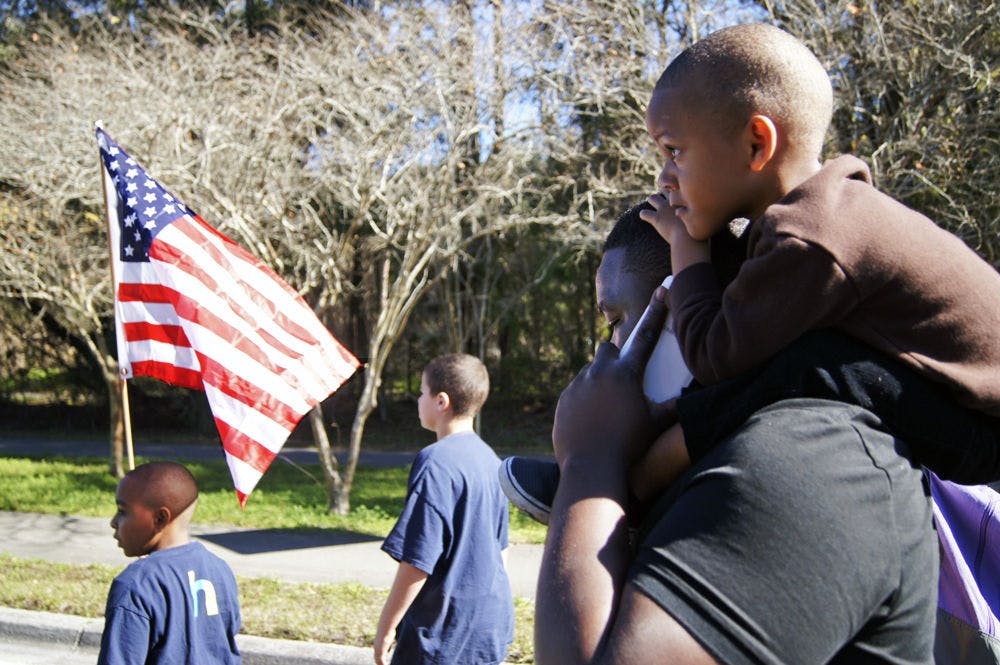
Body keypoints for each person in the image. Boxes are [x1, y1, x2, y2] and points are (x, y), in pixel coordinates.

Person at [534, 24, 946, 664]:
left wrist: (589, 469)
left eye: (615, 322)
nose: (605, 358)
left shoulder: (805, 463)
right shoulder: (745, 430)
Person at [640, 22, 1000, 486]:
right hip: (962, 410)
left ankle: (636, 481)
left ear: (757, 144)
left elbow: (715, 355)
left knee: (809, 365)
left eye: (674, 152)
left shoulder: (810, 238)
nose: (664, 178)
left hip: (984, 433)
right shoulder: (828, 213)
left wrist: (687, 248)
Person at [374, 353, 514, 665]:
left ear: (441, 401)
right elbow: (501, 552)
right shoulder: (492, 460)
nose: (419, 399)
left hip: (443, 635)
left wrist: (386, 627)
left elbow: (419, 559)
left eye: (422, 392)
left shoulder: (435, 461)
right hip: (490, 627)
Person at [98, 461, 241, 665]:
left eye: (122, 511)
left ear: (160, 518)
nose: (113, 522)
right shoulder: (219, 568)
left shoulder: (136, 585)